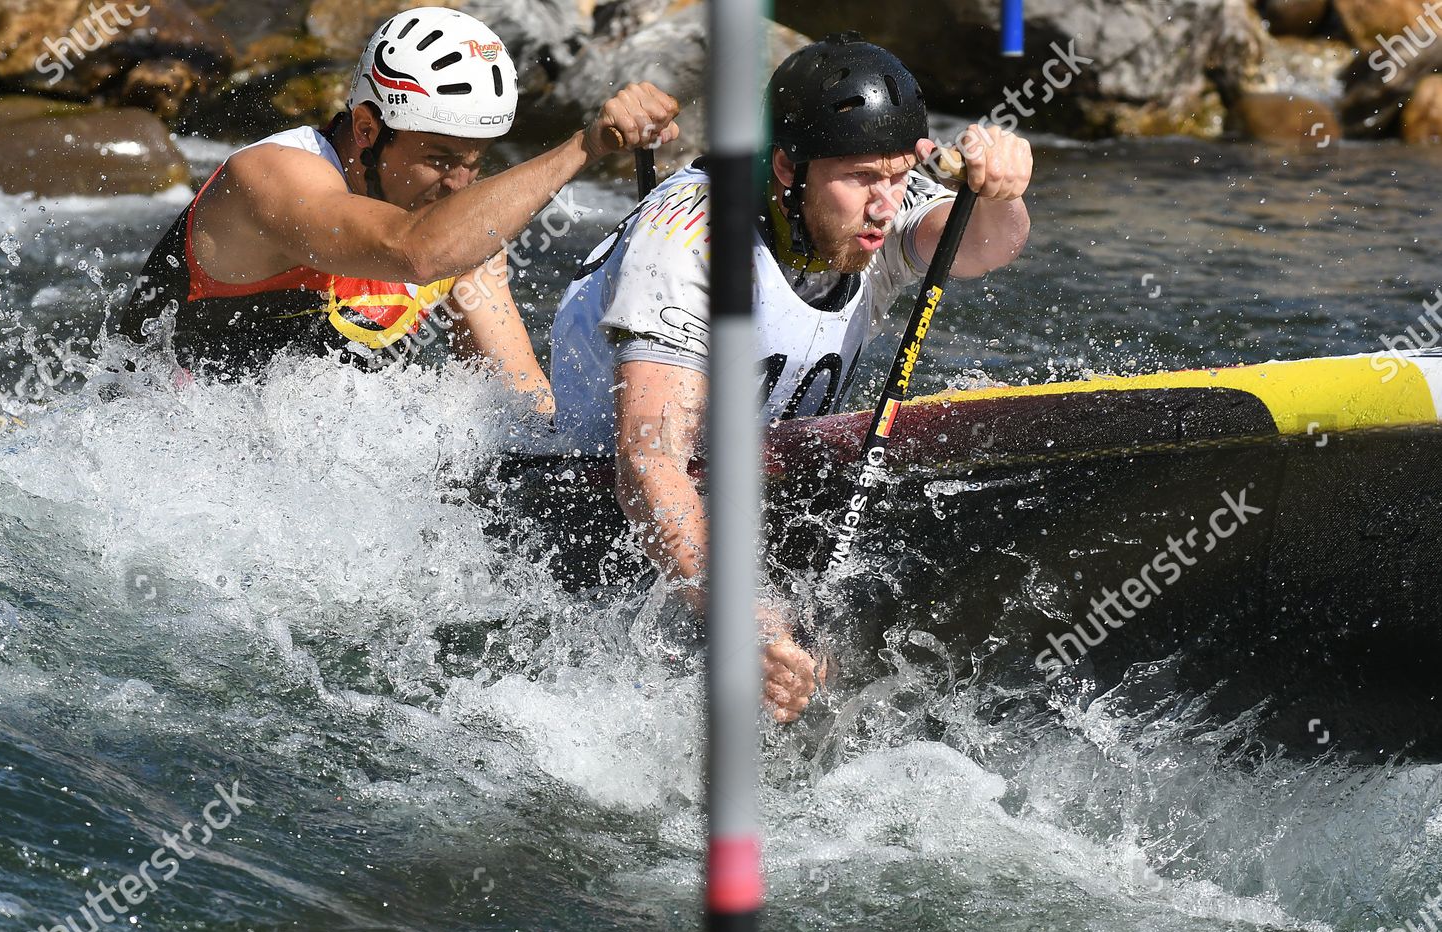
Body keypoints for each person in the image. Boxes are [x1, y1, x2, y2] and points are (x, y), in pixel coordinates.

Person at [548, 33, 1033, 721]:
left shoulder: (875, 206)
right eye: (863, 178)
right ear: (787, 166)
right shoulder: (691, 238)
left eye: (898, 178)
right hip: (590, 506)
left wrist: (1001, 194)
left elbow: (984, 245)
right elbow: (648, 461)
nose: (885, 205)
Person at [118, 5, 678, 413]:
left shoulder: (463, 231)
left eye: (474, 161)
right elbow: (413, 251)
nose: (459, 183)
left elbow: (521, 405)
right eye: (438, 159)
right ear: (366, 128)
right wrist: (586, 146)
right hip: (149, 465)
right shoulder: (270, 178)